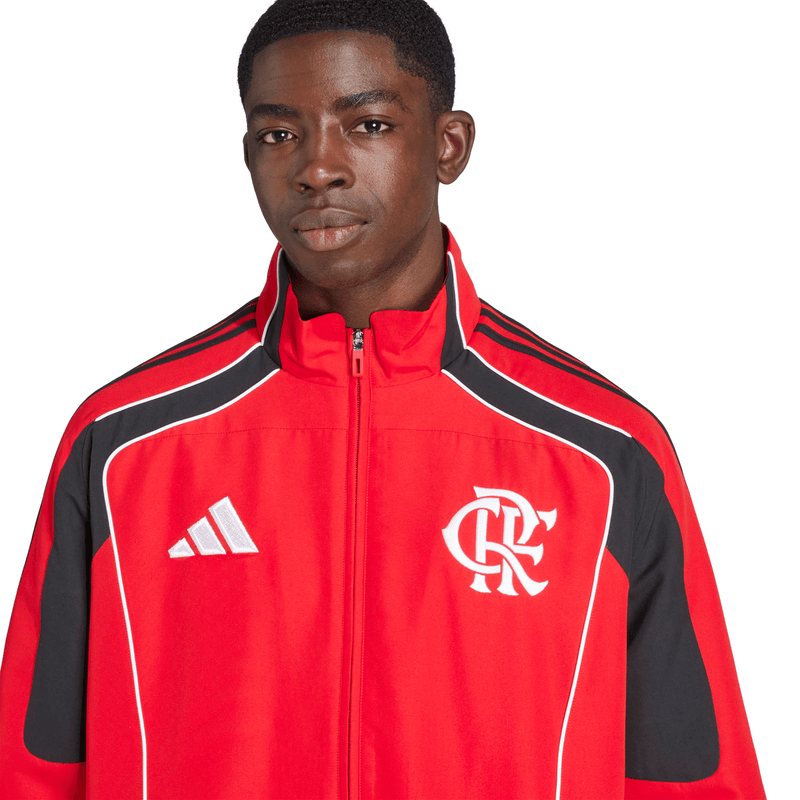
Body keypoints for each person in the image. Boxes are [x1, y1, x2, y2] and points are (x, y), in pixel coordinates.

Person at [0, 0, 766, 797]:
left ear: (448, 145)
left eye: (367, 126)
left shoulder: (603, 453)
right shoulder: (126, 445)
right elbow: (33, 774)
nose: (317, 168)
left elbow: (691, 780)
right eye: (278, 134)